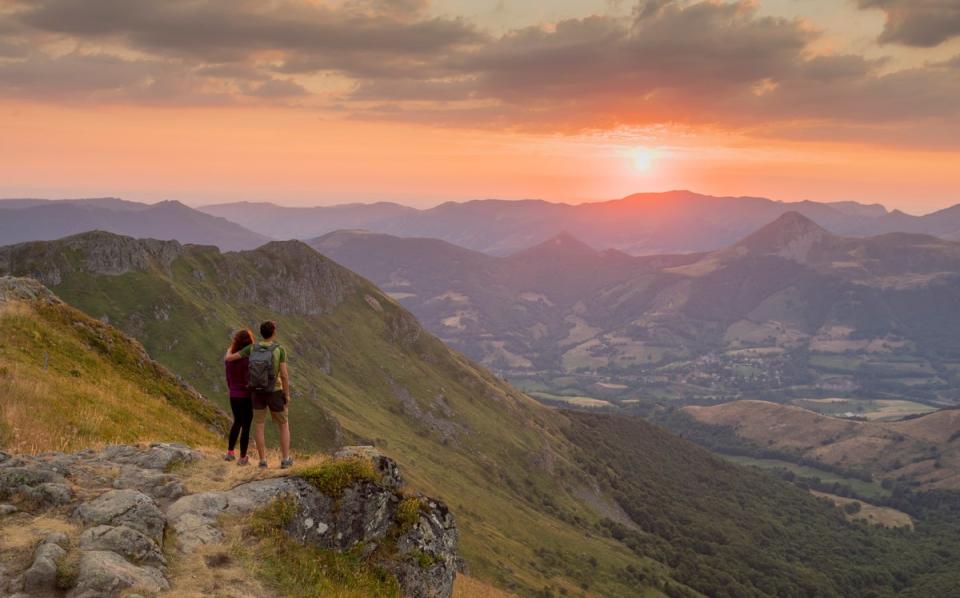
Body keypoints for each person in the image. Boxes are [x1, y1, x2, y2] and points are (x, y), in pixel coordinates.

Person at [225, 320, 292, 469]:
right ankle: (285, 459)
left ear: (261, 333)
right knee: (283, 425)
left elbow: (230, 358)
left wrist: (232, 345)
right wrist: (286, 395)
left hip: (256, 393)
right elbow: (284, 375)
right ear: (274, 332)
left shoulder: (252, 348)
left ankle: (262, 461)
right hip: (274, 391)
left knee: (259, 426)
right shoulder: (279, 350)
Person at [224, 328, 254, 465]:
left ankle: (230, 452)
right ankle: (243, 457)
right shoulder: (247, 360)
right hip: (246, 396)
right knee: (246, 426)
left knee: (237, 422)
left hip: (233, 395)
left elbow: (228, 378)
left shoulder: (229, 360)